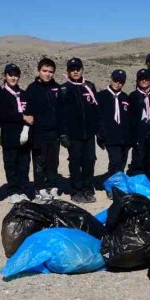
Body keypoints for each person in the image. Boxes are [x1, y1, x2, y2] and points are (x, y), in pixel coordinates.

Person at [57, 58, 100, 203]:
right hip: (73, 134)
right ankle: (76, 190)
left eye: (78, 69)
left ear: (82, 70)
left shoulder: (89, 86)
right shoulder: (63, 89)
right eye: (72, 69)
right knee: (75, 162)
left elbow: (96, 109)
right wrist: (63, 134)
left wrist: (99, 130)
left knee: (89, 161)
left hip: (89, 133)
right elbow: (60, 114)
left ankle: (88, 188)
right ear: (68, 71)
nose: (75, 71)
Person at [0, 63, 35, 203]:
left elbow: (30, 113)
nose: (13, 78)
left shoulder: (24, 94)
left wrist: (27, 126)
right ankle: (13, 190)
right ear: (5, 76)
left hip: (25, 136)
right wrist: (22, 117)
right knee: (11, 165)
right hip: (9, 137)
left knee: (24, 164)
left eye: (16, 75)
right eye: (10, 75)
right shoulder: (1, 95)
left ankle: (23, 189)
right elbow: (3, 115)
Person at [26, 58, 62, 202]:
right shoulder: (32, 89)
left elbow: (62, 110)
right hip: (38, 133)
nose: (47, 74)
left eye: (51, 72)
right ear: (39, 71)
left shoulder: (57, 88)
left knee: (53, 161)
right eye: (44, 71)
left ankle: (52, 186)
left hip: (54, 132)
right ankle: (39, 189)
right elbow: (27, 112)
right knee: (39, 161)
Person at [97, 69, 133, 179]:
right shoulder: (101, 96)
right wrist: (100, 134)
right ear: (111, 79)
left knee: (122, 162)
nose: (118, 83)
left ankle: (118, 183)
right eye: (116, 80)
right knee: (115, 161)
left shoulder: (125, 97)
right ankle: (111, 183)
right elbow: (97, 117)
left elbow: (129, 117)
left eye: (121, 81)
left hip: (124, 137)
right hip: (110, 136)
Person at [128, 68, 150, 186]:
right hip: (139, 132)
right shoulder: (133, 96)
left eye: (146, 79)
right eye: (141, 79)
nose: (144, 81)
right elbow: (130, 116)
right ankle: (138, 182)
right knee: (139, 157)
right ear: (137, 81)